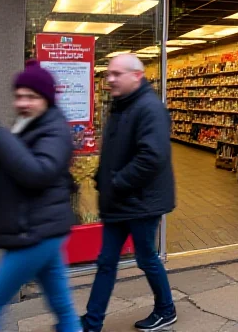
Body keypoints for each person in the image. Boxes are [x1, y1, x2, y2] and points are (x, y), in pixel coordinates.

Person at [0, 60, 81, 332]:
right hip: (39, 226)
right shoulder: (28, 125)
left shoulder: (55, 130)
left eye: (31, 96)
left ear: (46, 99)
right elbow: (12, 164)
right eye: (19, 95)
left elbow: (36, 173)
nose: (22, 103)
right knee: (62, 308)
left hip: (35, 233)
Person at [82, 54, 177, 332]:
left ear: (137, 75)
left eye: (116, 74)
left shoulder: (149, 108)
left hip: (141, 202)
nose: (109, 79)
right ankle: (92, 322)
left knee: (146, 257)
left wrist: (116, 182)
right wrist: (102, 176)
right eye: (108, 74)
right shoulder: (121, 105)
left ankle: (165, 309)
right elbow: (116, 150)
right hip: (121, 201)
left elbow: (152, 157)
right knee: (107, 262)